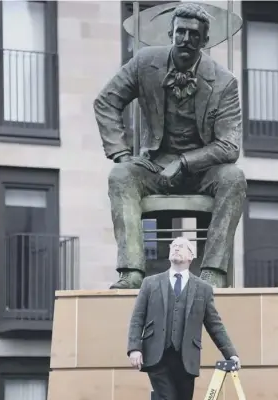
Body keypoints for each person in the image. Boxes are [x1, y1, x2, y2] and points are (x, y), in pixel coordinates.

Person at [94, 2, 247, 290]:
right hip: (155, 166)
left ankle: (213, 272)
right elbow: (106, 102)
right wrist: (123, 153)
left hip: (202, 173)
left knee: (234, 177)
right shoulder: (144, 63)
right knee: (121, 176)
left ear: (205, 40)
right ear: (171, 33)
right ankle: (131, 272)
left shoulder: (225, 82)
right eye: (181, 32)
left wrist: (185, 162)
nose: (186, 40)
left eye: (193, 35)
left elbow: (229, 146)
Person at [127, 236, 241, 400]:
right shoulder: (150, 283)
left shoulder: (203, 288)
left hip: (186, 359)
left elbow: (215, 325)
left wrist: (231, 353)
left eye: (182, 246)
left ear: (191, 257)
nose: (176, 248)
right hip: (157, 357)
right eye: (173, 246)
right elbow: (137, 318)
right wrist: (134, 348)